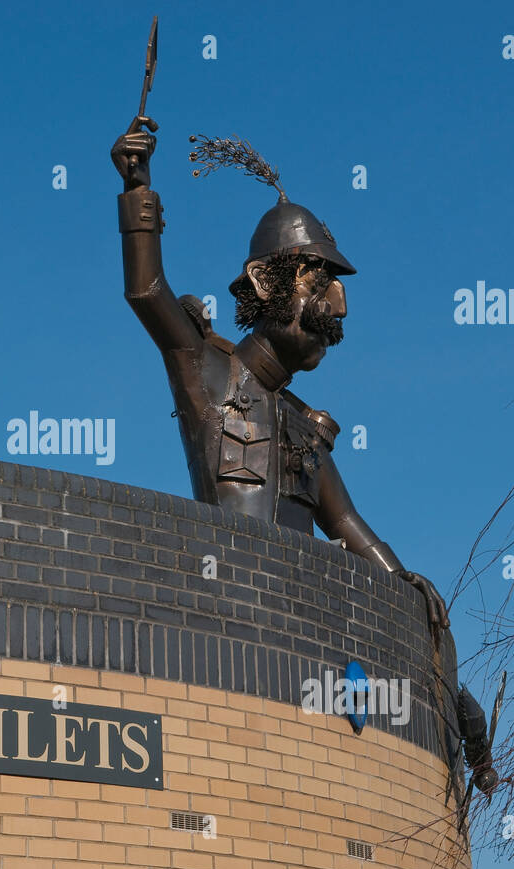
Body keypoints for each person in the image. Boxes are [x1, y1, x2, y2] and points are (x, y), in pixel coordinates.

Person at [111, 122, 449, 629]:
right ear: (265, 284)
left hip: (297, 630)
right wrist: (138, 190)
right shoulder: (207, 371)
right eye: (318, 281)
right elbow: (147, 290)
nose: (338, 306)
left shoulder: (305, 427)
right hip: (230, 620)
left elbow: (345, 523)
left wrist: (402, 584)